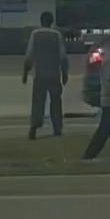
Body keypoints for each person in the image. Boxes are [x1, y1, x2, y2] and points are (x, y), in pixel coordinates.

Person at [22, 11, 69, 139]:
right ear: (51, 21)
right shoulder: (57, 35)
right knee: (56, 102)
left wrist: (25, 73)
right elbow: (63, 57)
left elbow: (29, 56)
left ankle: (34, 126)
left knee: (37, 102)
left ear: (41, 21)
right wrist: (65, 73)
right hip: (54, 74)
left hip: (40, 74)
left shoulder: (35, 35)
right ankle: (57, 127)